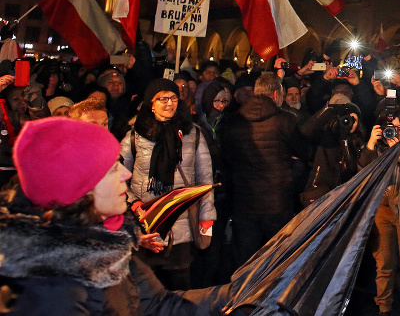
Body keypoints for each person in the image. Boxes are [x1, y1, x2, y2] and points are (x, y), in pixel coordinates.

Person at [0, 117, 229, 314]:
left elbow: (157, 305)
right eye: (111, 169)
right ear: (79, 187)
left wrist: (240, 294)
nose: (126, 174)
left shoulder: (105, 240)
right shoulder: (50, 284)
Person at [120, 79, 216, 290]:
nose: (169, 103)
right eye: (162, 98)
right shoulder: (134, 136)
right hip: (146, 224)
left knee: (178, 289)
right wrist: (134, 203)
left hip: (180, 224)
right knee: (145, 288)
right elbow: (117, 177)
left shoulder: (193, 134)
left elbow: (205, 178)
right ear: (151, 104)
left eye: (173, 98)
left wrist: (206, 217)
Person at [218, 72, 306, 268]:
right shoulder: (285, 121)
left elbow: (226, 159)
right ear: (276, 95)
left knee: (244, 260)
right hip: (277, 202)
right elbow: (303, 152)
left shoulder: (233, 122)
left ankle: (242, 296)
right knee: (276, 261)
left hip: (243, 201)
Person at [359, 101, 400, 316]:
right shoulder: (376, 147)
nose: (393, 133)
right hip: (382, 207)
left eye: (398, 128)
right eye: (390, 128)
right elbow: (362, 171)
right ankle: (384, 308)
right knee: (384, 262)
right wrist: (370, 144)